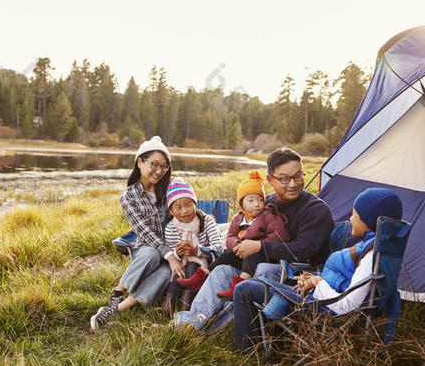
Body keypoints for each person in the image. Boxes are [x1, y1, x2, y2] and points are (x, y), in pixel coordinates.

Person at [173, 147, 334, 331]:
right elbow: (243, 230)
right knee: (223, 270)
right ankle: (189, 324)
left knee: (262, 270)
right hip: (254, 263)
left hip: (297, 274)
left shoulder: (316, 210)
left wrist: (259, 247)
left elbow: (303, 250)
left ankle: (214, 330)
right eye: (284, 178)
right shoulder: (265, 202)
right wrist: (239, 245)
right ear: (270, 180)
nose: (293, 183)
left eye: (298, 176)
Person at [233, 187, 403, 352]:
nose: (351, 219)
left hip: (324, 310)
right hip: (323, 300)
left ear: (368, 221)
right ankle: (271, 347)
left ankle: (248, 353)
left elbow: (347, 306)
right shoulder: (381, 249)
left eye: (355, 215)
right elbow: (350, 285)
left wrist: (318, 282)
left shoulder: (370, 257)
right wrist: (314, 279)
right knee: (256, 284)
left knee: (244, 289)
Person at [90, 136, 184, 331]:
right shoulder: (129, 196)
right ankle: (118, 291)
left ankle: (116, 310)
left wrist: (175, 254)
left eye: (164, 166)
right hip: (146, 249)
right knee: (151, 253)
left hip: (172, 249)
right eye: (154, 165)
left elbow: (186, 210)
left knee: (168, 272)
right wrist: (168, 254)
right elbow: (145, 232)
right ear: (140, 162)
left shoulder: (170, 189)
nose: (159, 171)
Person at [176, 171, 290, 300]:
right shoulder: (238, 218)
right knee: (225, 256)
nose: (256, 204)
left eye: (260, 200)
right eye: (251, 200)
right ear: (241, 203)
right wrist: (237, 245)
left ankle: (238, 286)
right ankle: (201, 277)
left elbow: (280, 236)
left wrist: (258, 245)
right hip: (241, 252)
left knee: (251, 259)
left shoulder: (268, 216)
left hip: (262, 254)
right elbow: (230, 237)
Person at [161, 177, 223, 317]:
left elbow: (219, 249)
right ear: (171, 211)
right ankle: (168, 308)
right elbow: (172, 253)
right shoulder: (171, 228)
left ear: (195, 204)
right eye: (178, 207)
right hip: (183, 264)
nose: (185, 211)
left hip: (206, 265)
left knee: (193, 268)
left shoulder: (207, 221)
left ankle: (186, 309)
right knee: (178, 272)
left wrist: (197, 250)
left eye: (189, 205)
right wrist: (177, 253)